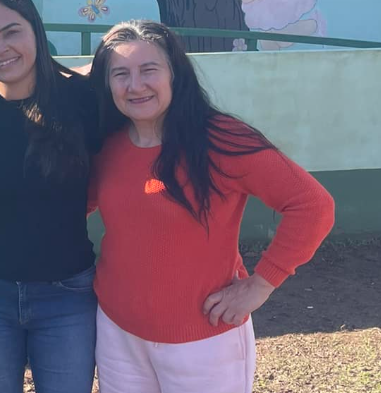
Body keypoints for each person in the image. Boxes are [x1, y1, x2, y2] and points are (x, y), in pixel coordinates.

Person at [87, 20, 335, 392]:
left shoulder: (219, 139)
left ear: (175, 73)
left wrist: (261, 284)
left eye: (148, 70)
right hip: (117, 333)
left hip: (203, 340)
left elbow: (313, 205)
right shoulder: (107, 145)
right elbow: (68, 208)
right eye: (120, 74)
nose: (134, 85)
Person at [0, 0, 101, 393]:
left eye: (11, 31)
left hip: (68, 293)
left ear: (35, 29)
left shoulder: (84, 100)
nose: (0, 48)